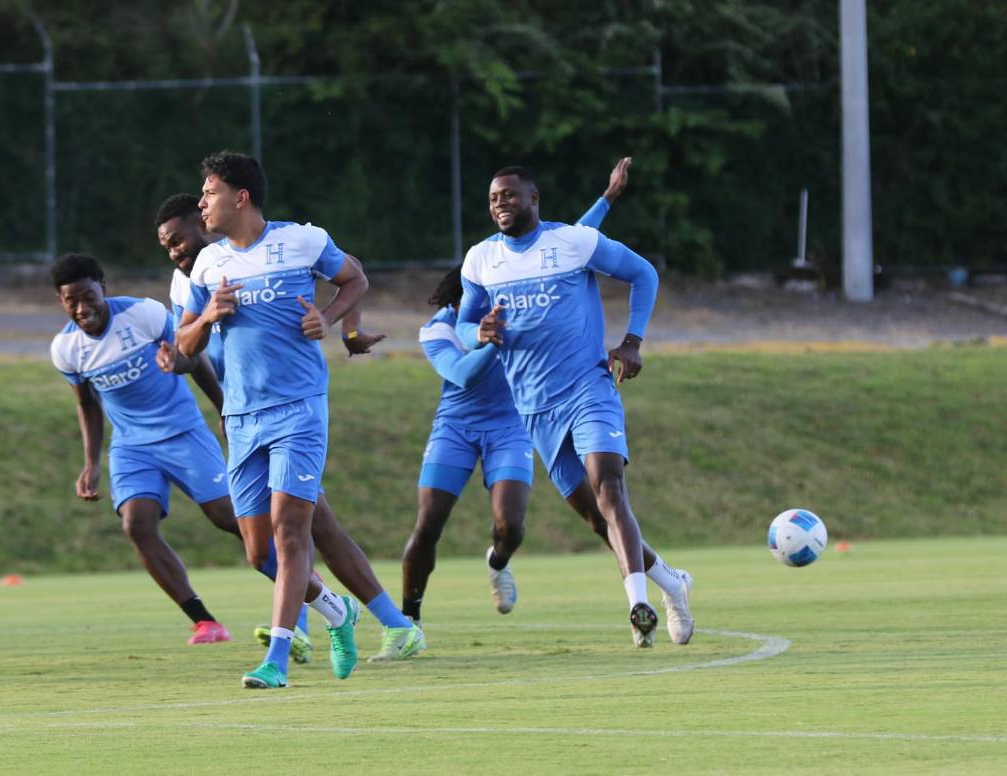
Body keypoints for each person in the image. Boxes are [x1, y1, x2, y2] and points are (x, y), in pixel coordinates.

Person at [176, 151, 424, 689]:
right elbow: (181, 344)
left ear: (240, 197)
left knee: (292, 532)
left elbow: (354, 278)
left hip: (300, 408)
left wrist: (328, 318)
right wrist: (210, 318)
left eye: (210, 191)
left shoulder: (302, 241)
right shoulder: (207, 265)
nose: (202, 202)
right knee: (257, 549)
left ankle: (277, 661)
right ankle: (339, 612)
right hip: (241, 417)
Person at [455, 162, 695, 648]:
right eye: (493, 197)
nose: (500, 203)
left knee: (608, 486)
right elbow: (462, 328)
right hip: (534, 408)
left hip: (590, 386)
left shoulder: (572, 242)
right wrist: (479, 334)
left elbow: (643, 273)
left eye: (509, 195)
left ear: (534, 198)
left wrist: (632, 342)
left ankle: (637, 607)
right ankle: (672, 584)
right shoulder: (480, 260)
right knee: (595, 517)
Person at [402, 158, 635, 628]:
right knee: (428, 523)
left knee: (509, 527)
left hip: (510, 424)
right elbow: (464, 376)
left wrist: (607, 198)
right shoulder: (438, 331)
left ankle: (499, 562)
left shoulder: (524, 272)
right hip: (456, 426)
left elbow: (562, 245)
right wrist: (496, 339)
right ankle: (406, 623)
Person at [48, 253, 240, 646]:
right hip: (132, 446)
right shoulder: (66, 348)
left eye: (88, 296)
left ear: (103, 287)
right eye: (72, 301)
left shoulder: (142, 314)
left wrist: (224, 410)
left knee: (226, 516)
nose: (82, 308)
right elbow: (87, 404)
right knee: (136, 525)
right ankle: (205, 622)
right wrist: (90, 464)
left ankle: (304, 582)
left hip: (183, 431)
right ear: (61, 301)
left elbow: (194, 356)